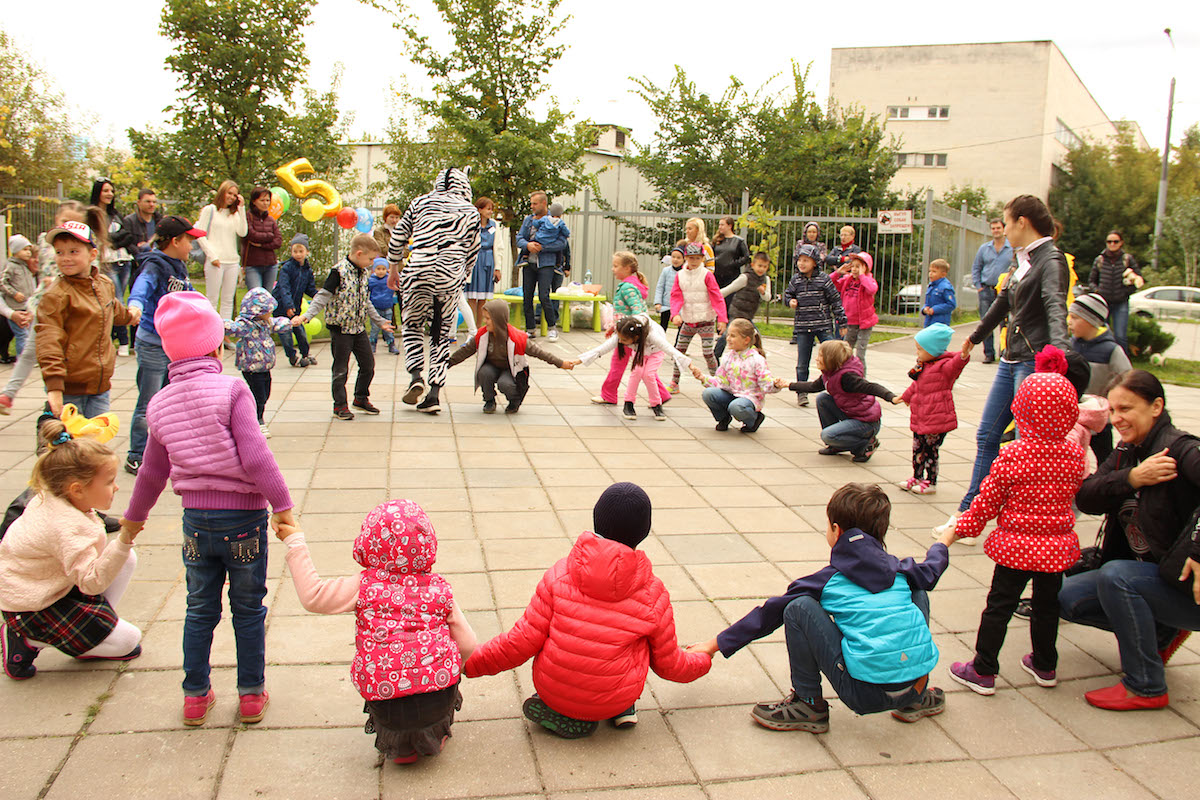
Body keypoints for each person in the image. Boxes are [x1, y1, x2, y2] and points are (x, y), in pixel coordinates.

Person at [121, 290, 295, 726]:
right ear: (218, 345)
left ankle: (195, 695)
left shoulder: (159, 404)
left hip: (196, 524)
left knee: (200, 609)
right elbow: (256, 456)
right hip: (244, 520)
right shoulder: (233, 389)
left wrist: (132, 520)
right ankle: (251, 694)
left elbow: (151, 473)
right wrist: (283, 506)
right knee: (248, 608)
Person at [688, 483, 952, 733]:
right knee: (917, 588)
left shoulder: (827, 580)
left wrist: (714, 645)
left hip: (864, 695)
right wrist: (942, 543)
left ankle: (808, 704)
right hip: (915, 685)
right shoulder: (902, 569)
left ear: (836, 531)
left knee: (798, 607)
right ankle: (914, 698)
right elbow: (934, 566)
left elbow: (768, 614)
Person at [463, 482, 712, 738]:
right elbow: (670, 664)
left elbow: (519, 643)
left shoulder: (559, 576)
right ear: (644, 531)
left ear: (596, 520)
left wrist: (464, 664)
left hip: (554, 690)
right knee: (635, 642)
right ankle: (622, 708)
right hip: (615, 694)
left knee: (564, 639)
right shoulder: (652, 593)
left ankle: (561, 710)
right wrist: (703, 659)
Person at [275, 500, 477, 763]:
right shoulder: (439, 589)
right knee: (445, 668)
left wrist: (296, 542)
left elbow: (313, 596)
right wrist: (449, 665)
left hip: (385, 701)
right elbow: (469, 643)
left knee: (384, 680)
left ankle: (400, 747)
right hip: (437, 698)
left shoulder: (364, 585)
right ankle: (434, 735)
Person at [1059, 370, 1200, 711]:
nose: (1118, 418)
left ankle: (1146, 686)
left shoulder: (1183, 450)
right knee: (1066, 596)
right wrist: (1133, 478)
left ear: (1156, 406)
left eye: (1127, 408)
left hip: (1188, 584)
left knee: (1117, 576)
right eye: (1113, 410)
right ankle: (1162, 631)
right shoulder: (1127, 452)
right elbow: (1087, 496)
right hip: (1158, 578)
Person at [948, 350, 1085, 695]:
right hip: (1056, 548)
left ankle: (983, 669)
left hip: (1017, 547)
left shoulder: (1013, 455)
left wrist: (963, 527)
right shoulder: (1074, 455)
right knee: (1046, 607)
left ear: (1021, 410)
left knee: (1000, 606)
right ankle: (1045, 663)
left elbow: (988, 500)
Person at [937, 195, 1071, 537]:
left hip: (1033, 363)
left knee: (1031, 445)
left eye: (1006, 221)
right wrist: (976, 336)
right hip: (1011, 360)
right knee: (987, 436)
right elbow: (1002, 302)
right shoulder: (1022, 259)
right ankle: (967, 517)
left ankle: (1034, 519)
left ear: (1022, 222)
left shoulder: (1051, 260)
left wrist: (1057, 359)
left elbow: (1055, 308)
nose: (1004, 228)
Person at [0, 419, 142, 680]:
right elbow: (91, 582)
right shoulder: (67, 526)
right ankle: (26, 639)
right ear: (77, 489)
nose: (117, 486)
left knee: (125, 558)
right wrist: (125, 537)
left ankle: (91, 633)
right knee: (129, 641)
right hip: (32, 606)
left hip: (48, 586)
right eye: (109, 481)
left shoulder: (55, 497)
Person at [388, 169, 481, 414]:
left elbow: (398, 236)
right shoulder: (470, 211)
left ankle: (416, 376)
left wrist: (393, 268)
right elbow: (473, 252)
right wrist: (461, 275)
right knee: (441, 334)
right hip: (449, 274)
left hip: (418, 268)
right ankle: (434, 394)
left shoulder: (420, 202)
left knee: (412, 326)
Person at [123, 215, 204, 475]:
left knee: (170, 401)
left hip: (174, 345)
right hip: (153, 344)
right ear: (175, 241)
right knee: (148, 401)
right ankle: (136, 454)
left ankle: (165, 451)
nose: (192, 247)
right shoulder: (155, 265)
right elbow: (142, 286)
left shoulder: (178, 265)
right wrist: (135, 304)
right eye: (189, 241)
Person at [35, 221, 140, 418]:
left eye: (73, 251)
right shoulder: (56, 296)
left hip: (100, 386)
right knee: (71, 445)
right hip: (70, 391)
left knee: (96, 443)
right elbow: (48, 343)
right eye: (59, 252)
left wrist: (131, 316)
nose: (65, 258)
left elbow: (114, 312)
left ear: (92, 254)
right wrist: (54, 388)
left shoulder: (103, 284)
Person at [297, 234, 394, 420]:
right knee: (341, 368)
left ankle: (360, 398)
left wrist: (379, 321)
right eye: (371, 259)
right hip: (340, 328)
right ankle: (339, 405)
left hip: (358, 328)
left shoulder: (364, 273)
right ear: (359, 254)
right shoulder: (338, 272)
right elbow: (322, 296)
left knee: (368, 365)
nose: (372, 263)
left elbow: (366, 302)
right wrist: (307, 315)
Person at [449, 298, 571, 414]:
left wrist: (560, 363)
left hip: (511, 369)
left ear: (498, 319)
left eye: (488, 318)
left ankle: (515, 400)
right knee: (484, 373)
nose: (484, 321)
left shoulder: (517, 338)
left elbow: (540, 353)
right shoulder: (482, 335)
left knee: (504, 384)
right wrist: (447, 363)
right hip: (492, 367)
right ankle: (489, 400)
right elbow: (465, 351)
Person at [781, 340, 893, 462]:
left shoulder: (848, 377)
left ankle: (866, 443)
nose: (817, 359)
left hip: (866, 423)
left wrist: (890, 397)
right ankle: (836, 445)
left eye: (820, 356)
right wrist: (789, 385)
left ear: (831, 359)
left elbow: (871, 387)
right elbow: (814, 387)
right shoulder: (830, 373)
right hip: (852, 414)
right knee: (822, 399)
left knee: (827, 435)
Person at [571, 315, 692, 422]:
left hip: (656, 352)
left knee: (648, 375)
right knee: (636, 372)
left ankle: (656, 405)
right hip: (640, 351)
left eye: (624, 340)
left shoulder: (651, 335)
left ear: (636, 337)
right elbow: (602, 348)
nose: (621, 342)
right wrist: (579, 361)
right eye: (620, 338)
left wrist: (689, 364)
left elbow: (669, 349)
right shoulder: (624, 333)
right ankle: (628, 403)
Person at [895, 323, 968, 496]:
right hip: (921, 418)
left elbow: (956, 364)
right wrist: (904, 397)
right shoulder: (923, 366)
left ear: (933, 350)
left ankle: (931, 481)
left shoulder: (944, 368)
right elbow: (916, 386)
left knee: (930, 451)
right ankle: (917, 476)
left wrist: (964, 355)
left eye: (920, 349)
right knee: (917, 449)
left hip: (936, 420)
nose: (917, 353)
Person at [589, 252, 671, 406]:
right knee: (639, 365)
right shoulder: (631, 285)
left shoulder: (627, 287)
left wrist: (630, 332)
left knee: (617, 365)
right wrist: (615, 327)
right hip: (629, 333)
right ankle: (662, 394)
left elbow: (638, 310)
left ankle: (608, 395)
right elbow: (625, 312)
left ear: (627, 268)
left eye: (615, 266)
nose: (612, 269)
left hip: (629, 335)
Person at [1069, 292, 1131, 465]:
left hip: (1099, 418)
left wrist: (1114, 406)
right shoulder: (1070, 345)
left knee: (1105, 457)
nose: (1069, 322)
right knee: (1072, 455)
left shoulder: (1111, 350)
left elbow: (1127, 378)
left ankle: (1108, 485)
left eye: (1075, 317)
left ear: (1091, 321)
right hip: (1072, 416)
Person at [224, 288, 292, 438]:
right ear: (258, 311)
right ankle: (257, 421)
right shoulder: (246, 325)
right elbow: (232, 328)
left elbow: (279, 323)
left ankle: (252, 417)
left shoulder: (266, 323)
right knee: (258, 395)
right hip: (251, 367)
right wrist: (220, 323)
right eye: (268, 310)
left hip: (265, 366)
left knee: (265, 393)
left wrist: (292, 321)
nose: (270, 313)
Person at [784, 243, 847, 407]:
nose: (801, 263)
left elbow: (835, 301)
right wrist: (790, 301)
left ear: (814, 262)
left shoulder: (824, 279)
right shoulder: (795, 280)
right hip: (803, 327)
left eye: (806, 260)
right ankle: (801, 392)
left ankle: (835, 388)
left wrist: (842, 321)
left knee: (832, 358)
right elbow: (787, 294)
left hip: (823, 325)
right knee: (802, 362)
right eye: (799, 260)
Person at [693, 318, 781, 433]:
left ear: (746, 340)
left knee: (736, 407)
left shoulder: (757, 360)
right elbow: (721, 381)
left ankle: (753, 419)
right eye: (728, 335)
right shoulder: (728, 357)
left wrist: (775, 384)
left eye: (733, 336)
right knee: (708, 394)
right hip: (732, 394)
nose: (728, 339)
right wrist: (703, 378)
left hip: (749, 398)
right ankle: (724, 417)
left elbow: (765, 384)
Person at [669, 242, 727, 391]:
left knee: (708, 353)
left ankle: (718, 382)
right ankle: (674, 383)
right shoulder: (680, 275)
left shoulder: (706, 275)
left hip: (706, 320)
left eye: (697, 258)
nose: (693, 262)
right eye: (690, 258)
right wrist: (675, 313)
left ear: (702, 259)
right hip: (688, 320)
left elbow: (717, 297)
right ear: (685, 258)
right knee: (678, 351)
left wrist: (722, 319)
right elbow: (676, 295)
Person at [90, 178, 137, 357]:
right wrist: (113, 238)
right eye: (105, 191)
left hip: (123, 260)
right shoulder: (92, 215)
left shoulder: (116, 215)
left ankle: (114, 339)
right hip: (105, 263)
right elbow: (98, 238)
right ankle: (122, 341)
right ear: (97, 193)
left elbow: (126, 236)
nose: (109, 194)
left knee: (118, 300)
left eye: (111, 191)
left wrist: (112, 239)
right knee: (115, 300)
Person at [516, 192, 567, 340]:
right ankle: (530, 329)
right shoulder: (528, 220)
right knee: (527, 296)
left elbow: (562, 243)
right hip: (528, 263)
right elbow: (519, 238)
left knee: (544, 295)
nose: (532, 206)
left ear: (544, 203)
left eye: (535, 204)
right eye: (531, 203)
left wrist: (542, 247)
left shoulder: (555, 220)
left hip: (547, 263)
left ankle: (552, 327)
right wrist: (528, 245)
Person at [197, 180, 248, 320]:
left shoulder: (235, 213)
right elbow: (200, 235)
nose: (231, 197)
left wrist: (241, 209)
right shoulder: (210, 210)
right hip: (216, 261)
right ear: (222, 192)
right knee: (212, 299)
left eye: (234, 195)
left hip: (232, 261)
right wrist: (212, 256)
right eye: (229, 193)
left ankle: (225, 332)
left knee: (228, 300)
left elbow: (243, 232)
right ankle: (210, 330)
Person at [1088, 230, 1143, 354]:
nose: (1112, 244)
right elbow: (1091, 280)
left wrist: (1125, 292)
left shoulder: (1127, 259)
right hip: (1103, 303)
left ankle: (1122, 364)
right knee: (1102, 333)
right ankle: (1102, 358)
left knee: (1120, 335)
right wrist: (1097, 291)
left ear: (1121, 243)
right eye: (1109, 241)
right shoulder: (1100, 260)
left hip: (1120, 302)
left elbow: (1138, 279)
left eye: (1115, 241)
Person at [713, 251, 771, 360]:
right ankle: (715, 356)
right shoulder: (745, 277)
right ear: (753, 265)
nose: (761, 269)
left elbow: (767, 298)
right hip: (737, 311)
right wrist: (714, 295)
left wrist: (763, 292)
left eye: (764, 266)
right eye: (759, 265)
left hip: (749, 314)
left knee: (756, 336)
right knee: (728, 334)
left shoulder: (765, 280)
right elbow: (728, 289)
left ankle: (758, 359)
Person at [971, 219, 1013, 364]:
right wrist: (979, 286)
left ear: (1004, 229)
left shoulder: (1011, 248)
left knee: (1005, 324)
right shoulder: (984, 248)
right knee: (986, 322)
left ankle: (1004, 352)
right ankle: (989, 353)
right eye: (993, 228)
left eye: (998, 228)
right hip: (986, 290)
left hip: (1004, 290)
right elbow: (976, 267)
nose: (996, 230)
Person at [273, 234, 318, 368]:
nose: (298, 254)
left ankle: (306, 354)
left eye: (301, 251)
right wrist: (288, 305)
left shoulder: (307, 270)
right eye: (295, 251)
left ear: (307, 252)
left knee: (300, 331)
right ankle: (292, 357)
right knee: (285, 334)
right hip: (282, 306)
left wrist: (319, 296)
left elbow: (310, 288)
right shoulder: (287, 268)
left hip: (294, 308)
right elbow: (284, 287)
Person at [530, 202, 571, 340]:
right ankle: (540, 324)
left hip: (547, 259)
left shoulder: (543, 220)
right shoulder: (560, 224)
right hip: (549, 258)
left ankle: (551, 325)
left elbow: (535, 225)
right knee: (546, 294)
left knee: (545, 295)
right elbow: (566, 240)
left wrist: (539, 244)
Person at [464, 196, 508, 325]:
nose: (490, 212)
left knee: (483, 298)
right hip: (474, 261)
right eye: (488, 209)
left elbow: (499, 247)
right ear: (479, 209)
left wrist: (497, 268)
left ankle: (479, 327)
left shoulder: (494, 225)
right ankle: (471, 327)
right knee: (472, 297)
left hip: (488, 262)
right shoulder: (471, 224)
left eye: (491, 209)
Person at [831, 252, 878, 370]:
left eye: (858, 267)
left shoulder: (868, 281)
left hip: (864, 324)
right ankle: (846, 375)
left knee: (860, 354)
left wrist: (862, 276)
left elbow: (872, 290)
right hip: (849, 322)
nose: (855, 269)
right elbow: (829, 284)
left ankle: (861, 379)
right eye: (853, 266)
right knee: (846, 353)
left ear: (866, 268)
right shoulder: (847, 280)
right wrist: (837, 273)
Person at [1, 231, 39, 355]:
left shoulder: (25, 267)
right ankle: (23, 357)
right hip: (16, 307)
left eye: (29, 249)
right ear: (15, 251)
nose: (28, 252)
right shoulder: (11, 266)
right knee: (22, 334)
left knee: (28, 334)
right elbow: (2, 282)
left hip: (26, 306)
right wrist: (14, 293)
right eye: (24, 250)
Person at [242, 186, 281, 291]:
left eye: (268, 200)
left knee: (267, 298)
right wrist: (269, 236)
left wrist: (262, 244)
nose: (265, 203)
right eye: (262, 200)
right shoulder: (247, 217)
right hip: (253, 264)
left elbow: (278, 241)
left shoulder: (271, 220)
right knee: (256, 296)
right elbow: (251, 235)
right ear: (254, 201)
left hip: (271, 265)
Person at [712, 215, 750, 309]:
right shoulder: (717, 241)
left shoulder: (739, 241)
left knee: (730, 300)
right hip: (717, 274)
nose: (720, 227)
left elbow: (746, 257)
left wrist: (734, 264)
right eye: (719, 225)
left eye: (722, 225)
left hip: (731, 275)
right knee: (717, 300)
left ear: (730, 226)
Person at [368, 257, 398, 354]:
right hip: (375, 307)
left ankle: (391, 344)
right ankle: (372, 344)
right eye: (378, 269)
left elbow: (399, 280)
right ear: (374, 270)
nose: (381, 271)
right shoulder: (371, 280)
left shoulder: (389, 279)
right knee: (375, 328)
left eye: (383, 269)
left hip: (387, 307)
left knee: (388, 327)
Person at [654, 244, 683, 330]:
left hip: (679, 306)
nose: (675, 260)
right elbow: (660, 287)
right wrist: (658, 302)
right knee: (663, 326)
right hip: (666, 304)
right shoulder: (666, 271)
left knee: (680, 326)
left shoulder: (685, 272)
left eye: (678, 258)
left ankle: (678, 343)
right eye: (673, 257)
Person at [922, 259, 956, 327]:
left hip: (940, 322)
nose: (930, 273)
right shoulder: (931, 286)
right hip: (929, 321)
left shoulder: (945, 287)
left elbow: (951, 304)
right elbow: (928, 302)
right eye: (930, 271)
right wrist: (924, 309)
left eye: (934, 271)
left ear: (943, 274)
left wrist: (935, 309)